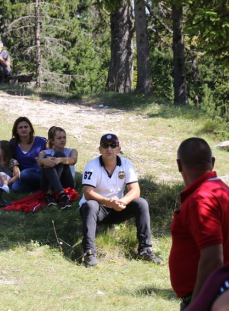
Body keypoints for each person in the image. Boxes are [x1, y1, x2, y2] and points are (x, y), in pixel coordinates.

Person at [79, 134, 162, 267]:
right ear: (100, 149)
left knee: (141, 203)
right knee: (90, 205)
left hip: (117, 208)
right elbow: (88, 193)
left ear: (119, 149)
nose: (109, 148)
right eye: (105, 145)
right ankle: (89, 253)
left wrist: (122, 202)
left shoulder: (126, 164)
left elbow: (135, 190)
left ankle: (145, 250)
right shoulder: (91, 166)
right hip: (97, 210)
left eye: (113, 145)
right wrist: (108, 202)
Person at [169, 137, 229, 310]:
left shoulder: (201, 199)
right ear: (212, 162)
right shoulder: (222, 190)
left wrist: (197, 304)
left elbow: (213, 258)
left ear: (179, 165)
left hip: (210, 297)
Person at [37, 126, 77, 210]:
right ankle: (62, 195)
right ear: (52, 140)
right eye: (59, 138)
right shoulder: (44, 152)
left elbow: (73, 160)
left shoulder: (72, 151)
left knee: (60, 154)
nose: (62, 140)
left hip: (66, 184)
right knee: (47, 157)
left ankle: (51, 193)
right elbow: (39, 162)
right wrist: (44, 161)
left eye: (64, 137)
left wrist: (59, 160)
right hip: (47, 185)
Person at [9, 117, 47, 193]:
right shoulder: (13, 144)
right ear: (16, 131)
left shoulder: (41, 141)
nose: (23, 129)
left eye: (26, 127)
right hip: (25, 177)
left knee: (24, 174)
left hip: (40, 172)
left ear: (30, 129)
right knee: (15, 187)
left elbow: (52, 154)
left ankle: (48, 184)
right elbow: (10, 161)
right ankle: (40, 188)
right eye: (20, 127)